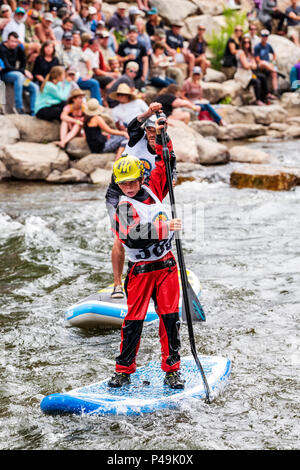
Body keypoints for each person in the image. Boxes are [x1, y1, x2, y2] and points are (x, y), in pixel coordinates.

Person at [107, 122, 184, 390]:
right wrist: (166, 226)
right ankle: (124, 370)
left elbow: (164, 161)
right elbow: (132, 234)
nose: (128, 187)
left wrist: (163, 136)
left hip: (166, 268)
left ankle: (172, 369)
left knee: (170, 318)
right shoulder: (123, 206)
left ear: (141, 179)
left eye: (131, 182)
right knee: (134, 322)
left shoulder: (154, 188)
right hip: (140, 272)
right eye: (123, 183)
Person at [105, 101, 167, 299]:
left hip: (144, 194)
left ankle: (151, 274)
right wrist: (148, 112)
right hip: (119, 192)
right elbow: (132, 125)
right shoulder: (136, 138)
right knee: (121, 236)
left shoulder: (163, 148)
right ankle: (117, 284)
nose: (150, 134)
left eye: (154, 130)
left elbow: (169, 175)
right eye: (148, 129)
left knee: (151, 230)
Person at [56, 31, 103, 104]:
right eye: (66, 40)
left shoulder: (77, 50)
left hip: (77, 77)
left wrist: (89, 73)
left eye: (70, 40)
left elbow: (87, 60)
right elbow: (56, 66)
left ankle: (96, 106)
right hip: (63, 78)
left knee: (94, 83)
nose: (69, 42)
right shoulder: (57, 50)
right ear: (62, 40)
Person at [0, 31, 39, 115]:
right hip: (5, 74)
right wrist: (23, 71)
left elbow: (23, 60)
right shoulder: (2, 49)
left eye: (16, 42)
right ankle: (19, 107)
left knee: (34, 87)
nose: (14, 44)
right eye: (12, 41)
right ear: (7, 40)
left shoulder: (18, 48)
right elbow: (7, 67)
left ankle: (33, 112)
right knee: (19, 76)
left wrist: (23, 70)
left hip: (18, 76)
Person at [235, 36, 268, 105]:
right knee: (257, 82)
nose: (246, 44)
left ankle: (265, 97)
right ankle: (258, 100)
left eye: (248, 42)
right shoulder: (241, 52)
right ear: (242, 43)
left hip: (249, 73)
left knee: (262, 77)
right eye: (245, 42)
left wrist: (250, 65)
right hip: (242, 74)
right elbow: (245, 66)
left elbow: (255, 66)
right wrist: (251, 65)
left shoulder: (250, 53)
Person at [117, 24, 149, 90]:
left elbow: (145, 61)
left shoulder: (141, 46)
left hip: (138, 75)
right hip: (126, 75)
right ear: (128, 34)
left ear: (137, 34)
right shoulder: (123, 45)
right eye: (130, 32)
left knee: (140, 93)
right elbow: (118, 59)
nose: (132, 34)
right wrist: (127, 58)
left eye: (134, 32)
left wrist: (144, 76)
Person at [254, 29, 279, 98]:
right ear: (261, 37)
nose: (264, 37)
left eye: (266, 36)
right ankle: (274, 70)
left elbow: (274, 55)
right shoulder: (257, 47)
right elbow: (257, 59)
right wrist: (268, 65)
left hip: (268, 65)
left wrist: (272, 62)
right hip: (261, 65)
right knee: (263, 63)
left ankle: (275, 91)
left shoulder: (268, 46)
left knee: (274, 74)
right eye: (263, 36)